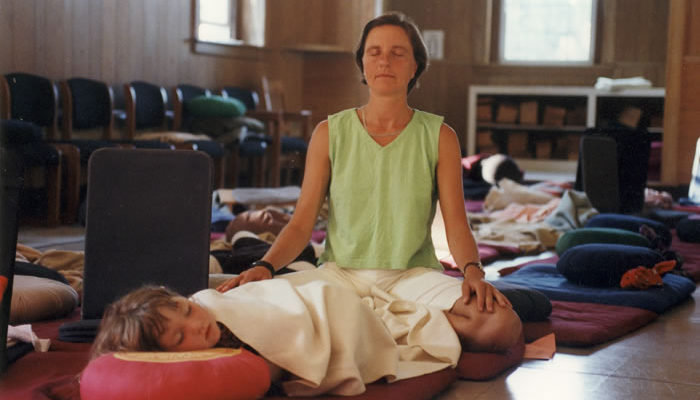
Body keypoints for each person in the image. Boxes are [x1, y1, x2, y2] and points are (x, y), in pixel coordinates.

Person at [216, 12, 521, 352]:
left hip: (413, 277)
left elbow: (456, 225)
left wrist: (473, 273)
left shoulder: (440, 136)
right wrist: (265, 266)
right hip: (339, 277)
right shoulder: (329, 132)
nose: (384, 61)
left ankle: (366, 326)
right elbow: (301, 224)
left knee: (501, 326)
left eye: (397, 52)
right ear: (362, 63)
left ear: (415, 65)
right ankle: (394, 325)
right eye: (374, 52)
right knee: (231, 301)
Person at [91, 282, 503, 396]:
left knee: (495, 327)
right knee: (489, 331)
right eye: (180, 337)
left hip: (337, 301)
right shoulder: (218, 366)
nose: (197, 324)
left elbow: (284, 311)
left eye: (186, 310)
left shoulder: (211, 305)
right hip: (354, 307)